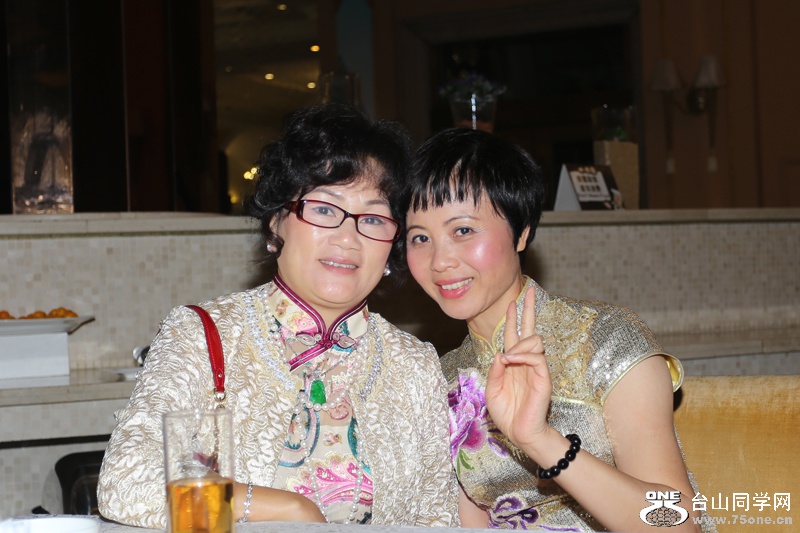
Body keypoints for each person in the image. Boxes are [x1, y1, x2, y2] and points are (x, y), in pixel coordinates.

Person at [97, 104, 459, 529]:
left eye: (374, 218)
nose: (348, 237)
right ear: (276, 222)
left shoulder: (415, 365)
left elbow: (439, 521)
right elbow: (125, 482)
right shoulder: (202, 335)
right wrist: (289, 509)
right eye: (324, 209)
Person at [401, 127, 713, 532]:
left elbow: (677, 522)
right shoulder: (443, 378)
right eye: (420, 238)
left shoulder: (603, 339)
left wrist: (540, 440)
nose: (440, 260)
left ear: (521, 231)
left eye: (463, 230)